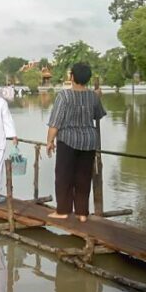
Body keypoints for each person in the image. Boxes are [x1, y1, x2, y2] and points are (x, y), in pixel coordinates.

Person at [45, 63, 106, 222]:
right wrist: (97, 96)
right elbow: (97, 115)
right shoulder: (92, 96)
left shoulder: (63, 96)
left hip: (68, 140)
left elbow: (55, 123)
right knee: (84, 177)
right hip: (89, 141)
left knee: (64, 176)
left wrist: (49, 141)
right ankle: (82, 213)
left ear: (72, 77)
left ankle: (63, 211)